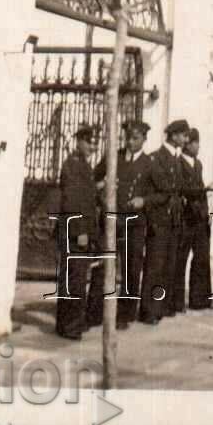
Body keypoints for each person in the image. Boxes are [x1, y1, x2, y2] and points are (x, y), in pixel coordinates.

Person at [92, 120, 153, 330]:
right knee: (103, 265)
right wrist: (102, 190)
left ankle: (125, 313)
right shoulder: (114, 157)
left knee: (131, 267)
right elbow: (94, 179)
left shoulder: (149, 163)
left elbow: (161, 193)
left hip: (134, 223)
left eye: (135, 138)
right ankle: (95, 312)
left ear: (144, 139)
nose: (130, 142)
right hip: (111, 220)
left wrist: (144, 200)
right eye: (128, 137)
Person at [139, 119, 189, 325]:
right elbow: (161, 190)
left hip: (173, 220)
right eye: (183, 135)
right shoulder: (157, 158)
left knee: (169, 265)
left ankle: (161, 306)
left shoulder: (176, 158)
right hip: (159, 221)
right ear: (174, 135)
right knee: (155, 266)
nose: (186, 139)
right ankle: (149, 310)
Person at [55, 125, 101, 340]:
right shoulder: (73, 165)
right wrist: (81, 231)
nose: (93, 147)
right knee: (75, 280)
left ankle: (66, 324)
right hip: (75, 231)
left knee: (73, 278)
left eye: (95, 143)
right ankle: (71, 326)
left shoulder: (82, 164)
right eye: (89, 142)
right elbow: (72, 201)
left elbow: (85, 194)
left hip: (78, 230)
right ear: (80, 141)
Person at [172, 127, 213, 312]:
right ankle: (177, 302)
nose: (198, 146)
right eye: (195, 143)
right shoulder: (178, 163)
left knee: (201, 258)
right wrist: (205, 190)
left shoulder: (198, 164)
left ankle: (200, 300)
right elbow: (184, 189)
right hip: (186, 218)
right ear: (187, 144)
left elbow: (201, 194)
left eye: (197, 142)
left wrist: (206, 213)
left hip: (200, 219)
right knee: (180, 260)